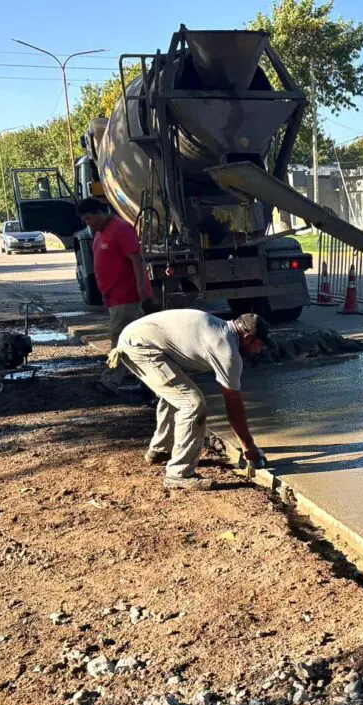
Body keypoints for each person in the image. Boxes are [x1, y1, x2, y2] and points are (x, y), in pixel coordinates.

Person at [109, 309, 269, 491]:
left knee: (176, 394)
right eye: (260, 345)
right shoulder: (226, 351)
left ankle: (161, 450)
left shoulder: (220, 327)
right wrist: (248, 446)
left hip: (138, 337)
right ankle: (179, 474)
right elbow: (233, 407)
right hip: (139, 346)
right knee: (193, 404)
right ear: (248, 338)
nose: (260, 351)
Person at [77, 197, 155, 394]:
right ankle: (149, 383)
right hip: (113, 296)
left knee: (120, 339)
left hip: (126, 295)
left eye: (88, 219)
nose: (88, 224)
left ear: (100, 212)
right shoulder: (100, 232)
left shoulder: (120, 229)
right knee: (137, 341)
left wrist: (141, 288)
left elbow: (136, 259)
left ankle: (110, 381)